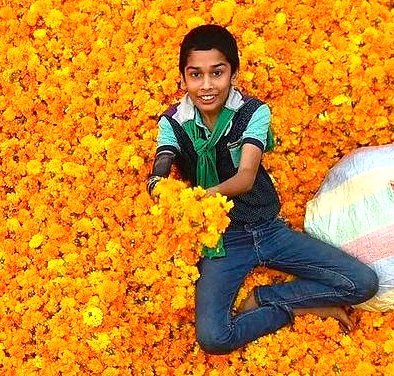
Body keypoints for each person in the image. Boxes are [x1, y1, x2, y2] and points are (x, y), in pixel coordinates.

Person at [147, 24, 378, 355]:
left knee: (363, 283)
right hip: (223, 241)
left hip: (269, 230)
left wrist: (197, 200)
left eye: (217, 72)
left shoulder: (253, 112)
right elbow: (163, 160)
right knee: (214, 338)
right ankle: (288, 310)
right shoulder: (171, 123)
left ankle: (267, 298)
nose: (207, 85)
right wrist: (157, 183)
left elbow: (246, 177)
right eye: (196, 75)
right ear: (182, 79)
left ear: (234, 74)